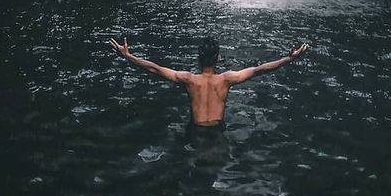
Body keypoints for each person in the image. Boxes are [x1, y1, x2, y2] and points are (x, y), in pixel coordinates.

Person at [109, 35, 309, 127]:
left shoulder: (189, 80)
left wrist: (129, 56)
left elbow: (155, 68)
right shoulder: (226, 79)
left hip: (194, 131)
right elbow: (260, 70)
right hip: (217, 131)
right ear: (218, 58)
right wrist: (290, 58)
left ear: (199, 58)